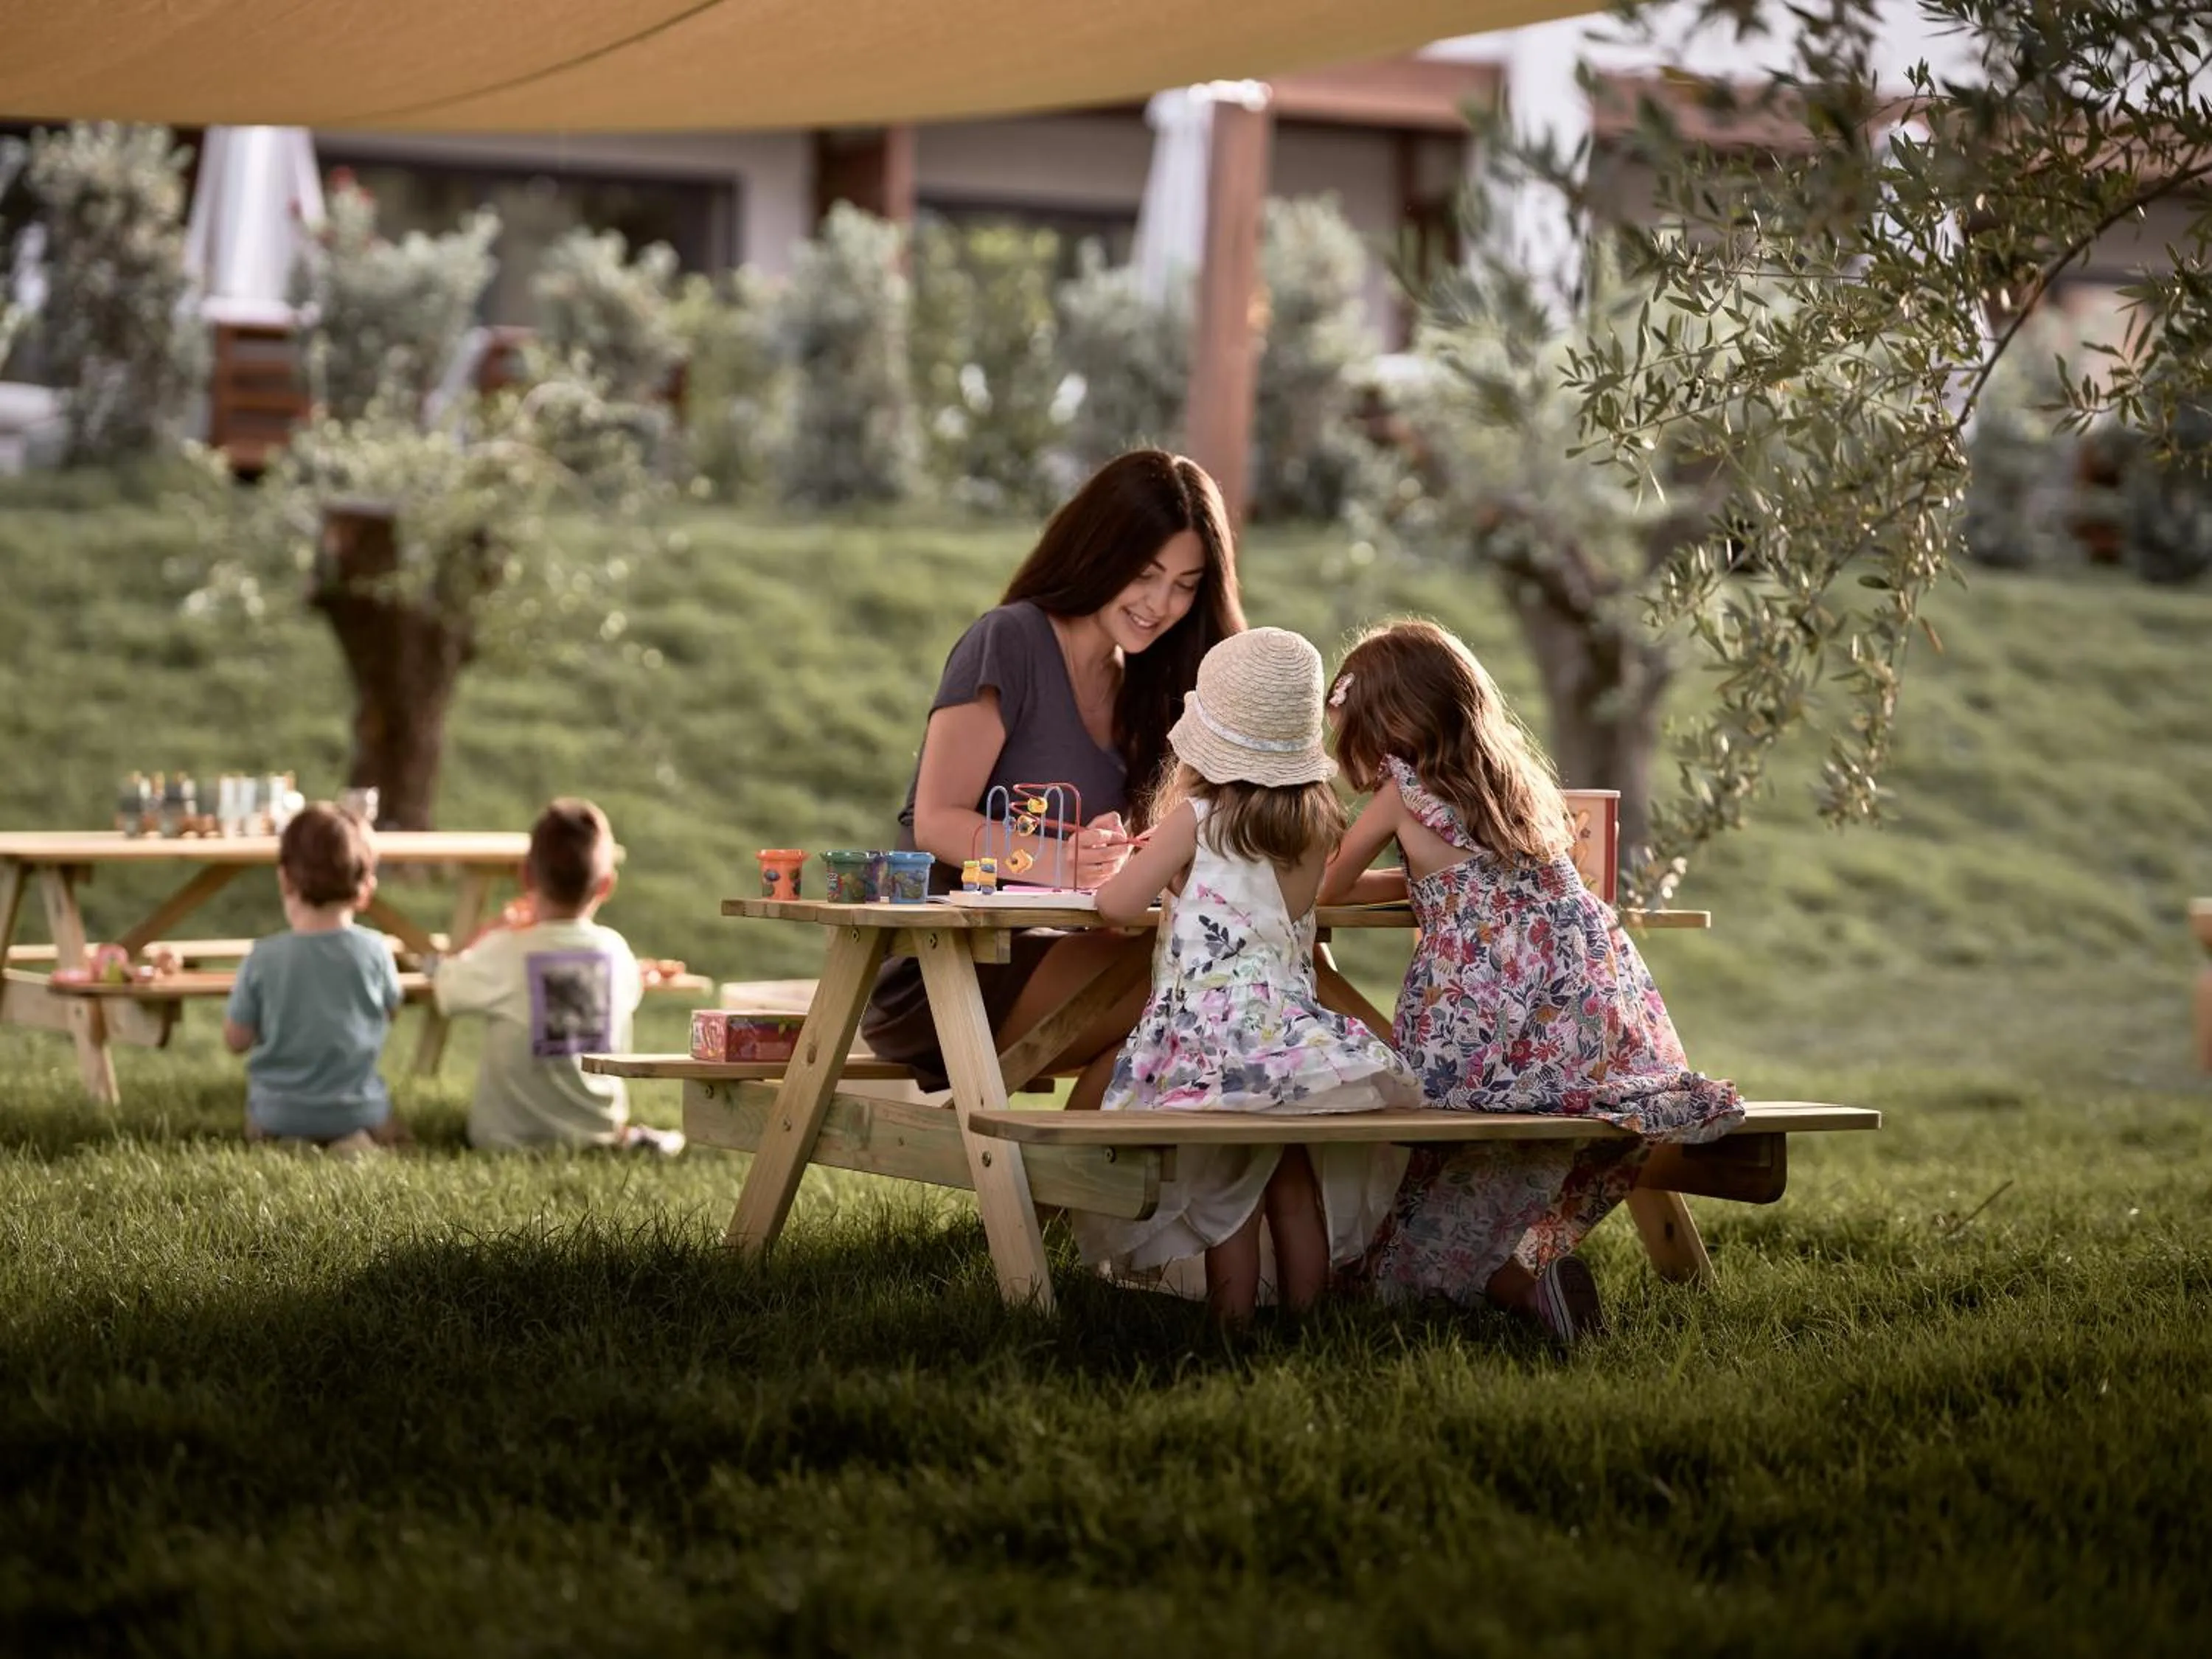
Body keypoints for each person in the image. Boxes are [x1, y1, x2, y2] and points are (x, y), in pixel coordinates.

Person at [1318, 619, 1744, 1342]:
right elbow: (1476, 873)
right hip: (1577, 1019)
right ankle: (1522, 1271)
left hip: (1474, 1014)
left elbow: (1327, 890)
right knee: (1553, 1133)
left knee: (1421, 1124)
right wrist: (1417, 881)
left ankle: (1442, 1279)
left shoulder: (1402, 791)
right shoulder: (1517, 783)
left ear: (1387, 719)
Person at [861, 449, 1245, 1106]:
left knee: (1246, 972)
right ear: (1099, 552)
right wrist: (1063, 862)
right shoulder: (1008, 642)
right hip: (956, 969)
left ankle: (1072, 1189)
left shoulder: (1153, 684)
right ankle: (1419, 1111)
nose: (1162, 604)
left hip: (1083, 956)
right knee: (1207, 975)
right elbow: (938, 819)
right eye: (1146, 573)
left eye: (1186, 584)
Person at [1074, 628, 1419, 1322]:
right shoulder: (1315, 827)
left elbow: (1114, 906)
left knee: (1226, 1190)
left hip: (1212, 1043)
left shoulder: (1198, 818)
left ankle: (1232, 1333)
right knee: (1290, 1182)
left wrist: (1125, 868)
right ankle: (1309, 1321)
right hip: (1287, 1035)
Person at [431, 798, 681, 1153]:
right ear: (606, 885)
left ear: (526, 876)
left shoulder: (504, 949)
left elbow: (446, 986)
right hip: (598, 1134)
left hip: (506, 1140)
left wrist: (491, 929)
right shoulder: (616, 952)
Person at [223, 802, 406, 1156]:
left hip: (277, 1112)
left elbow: (236, 1040)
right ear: (365, 889)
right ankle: (351, 1143)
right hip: (358, 1110)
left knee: (265, 1127)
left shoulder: (263, 958)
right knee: (389, 1128)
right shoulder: (377, 952)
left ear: (284, 878)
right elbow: (392, 1010)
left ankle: (290, 1143)